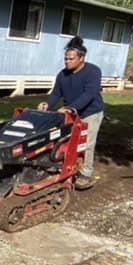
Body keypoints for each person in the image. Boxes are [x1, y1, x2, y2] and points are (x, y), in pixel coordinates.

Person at [37, 36, 104, 189]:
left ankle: (85, 174)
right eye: (66, 58)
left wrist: (70, 107)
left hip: (90, 112)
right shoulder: (63, 74)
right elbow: (56, 94)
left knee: (86, 144)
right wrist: (47, 104)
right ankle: (64, 165)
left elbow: (90, 94)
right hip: (71, 113)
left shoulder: (93, 71)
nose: (67, 61)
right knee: (63, 140)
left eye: (71, 59)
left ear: (81, 58)